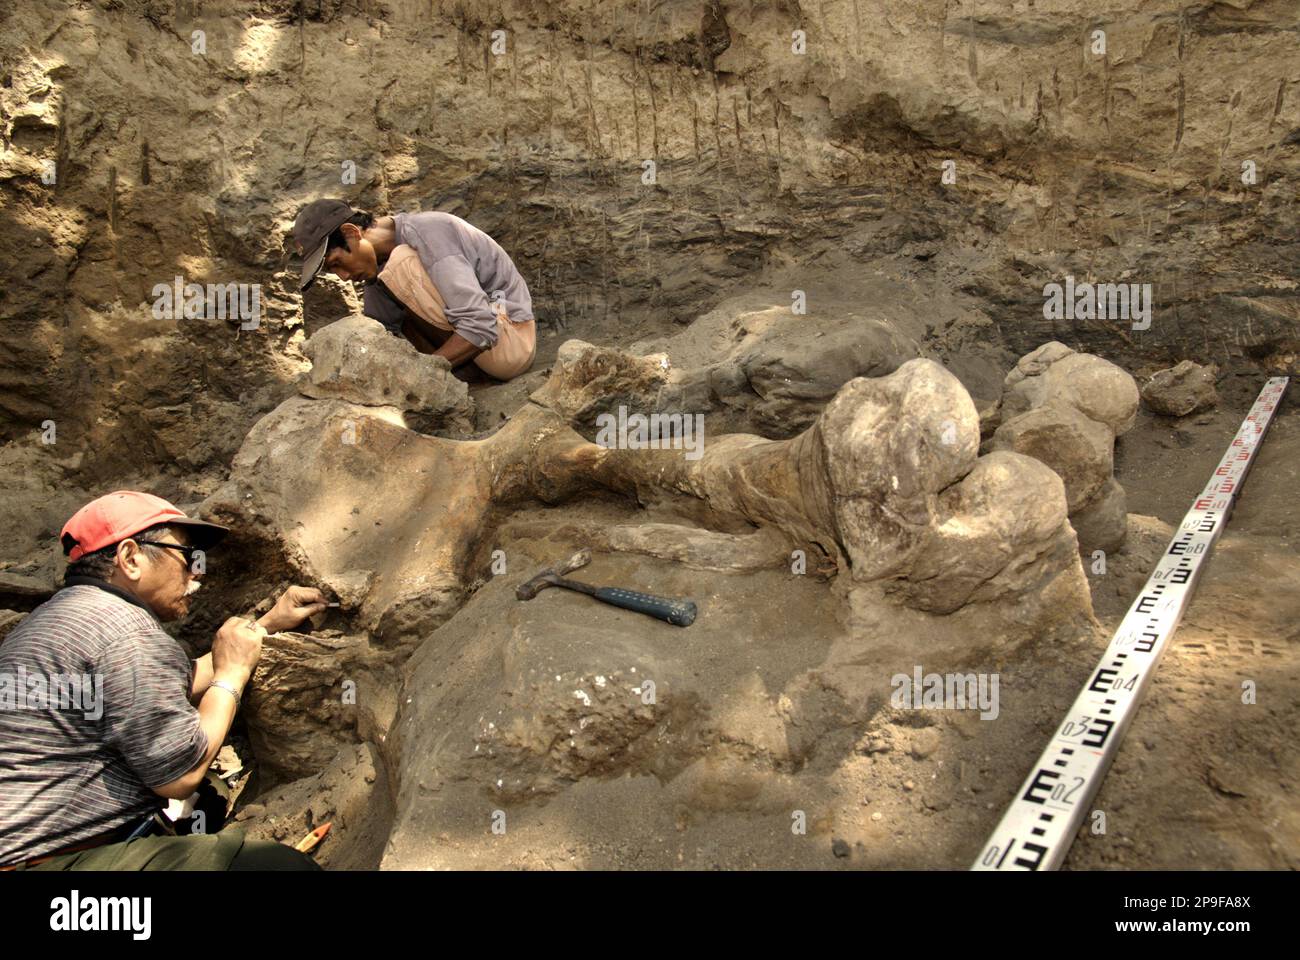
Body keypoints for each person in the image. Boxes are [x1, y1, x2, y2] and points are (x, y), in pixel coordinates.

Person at [0, 491, 327, 870]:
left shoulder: (51, 622)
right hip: (46, 863)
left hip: (24, 847)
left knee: (208, 800)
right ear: (130, 557)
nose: (197, 571)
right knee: (277, 868)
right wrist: (231, 677)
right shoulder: (124, 632)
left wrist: (265, 625)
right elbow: (181, 775)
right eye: (187, 557)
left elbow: (168, 685)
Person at [293, 199, 537, 382]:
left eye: (337, 263)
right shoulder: (379, 268)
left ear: (351, 233)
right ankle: (454, 378)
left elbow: (480, 324)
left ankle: (435, 372)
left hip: (509, 343)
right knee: (380, 316)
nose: (343, 277)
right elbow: (379, 335)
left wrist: (417, 375)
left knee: (400, 262)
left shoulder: (428, 233)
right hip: (475, 362)